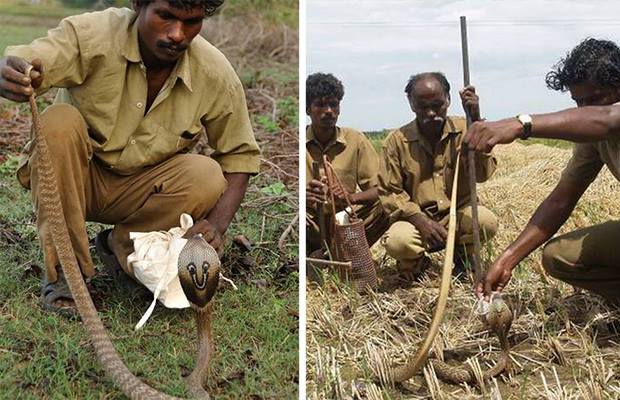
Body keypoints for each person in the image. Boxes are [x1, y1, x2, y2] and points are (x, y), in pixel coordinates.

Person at [0, 0, 260, 313]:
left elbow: (240, 156)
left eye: (191, 22)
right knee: (57, 122)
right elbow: (32, 60)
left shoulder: (214, 72)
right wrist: (14, 73)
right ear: (139, 5)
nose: (177, 34)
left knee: (207, 174)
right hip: (77, 180)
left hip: (143, 192)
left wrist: (217, 225)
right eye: (165, 16)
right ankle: (67, 273)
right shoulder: (92, 34)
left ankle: (123, 247)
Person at [467, 38, 620, 343]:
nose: (582, 109)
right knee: (559, 256)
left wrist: (522, 124)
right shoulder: (596, 138)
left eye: (593, 99)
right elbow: (562, 198)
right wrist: (508, 259)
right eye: (578, 102)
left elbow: (608, 120)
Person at [378, 72, 497, 279]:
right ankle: (415, 262)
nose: (431, 113)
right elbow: (390, 192)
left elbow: (482, 174)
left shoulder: (466, 130)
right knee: (398, 240)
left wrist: (476, 122)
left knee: (485, 221)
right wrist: (421, 221)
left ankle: (463, 256)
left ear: (448, 100)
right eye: (423, 107)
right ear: (411, 104)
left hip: (457, 215)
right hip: (416, 220)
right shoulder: (396, 141)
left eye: (437, 105)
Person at [305, 72, 389, 255]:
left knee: (387, 204)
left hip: (345, 221)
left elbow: (381, 188)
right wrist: (305, 198)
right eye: (320, 105)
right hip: (311, 223)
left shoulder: (355, 139)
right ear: (308, 109)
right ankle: (315, 254)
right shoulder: (299, 143)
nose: (328, 111)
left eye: (333, 105)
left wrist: (350, 198)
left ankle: (346, 252)